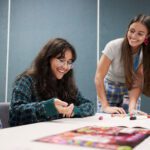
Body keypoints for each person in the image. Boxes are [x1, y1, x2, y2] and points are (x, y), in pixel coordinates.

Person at [9, 38, 95, 126]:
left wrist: (75, 110)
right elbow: (16, 113)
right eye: (61, 60)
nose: (65, 67)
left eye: (69, 62)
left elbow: (89, 106)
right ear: (48, 59)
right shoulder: (26, 80)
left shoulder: (67, 84)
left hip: (55, 135)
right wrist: (47, 107)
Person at [95, 14, 150, 114]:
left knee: (131, 121)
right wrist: (106, 106)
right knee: (106, 124)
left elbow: (137, 82)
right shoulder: (113, 46)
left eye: (140, 34)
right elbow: (99, 77)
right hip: (109, 89)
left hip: (130, 90)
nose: (133, 36)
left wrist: (132, 108)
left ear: (147, 36)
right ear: (128, 29)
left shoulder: (145, 54)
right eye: (132, 31)